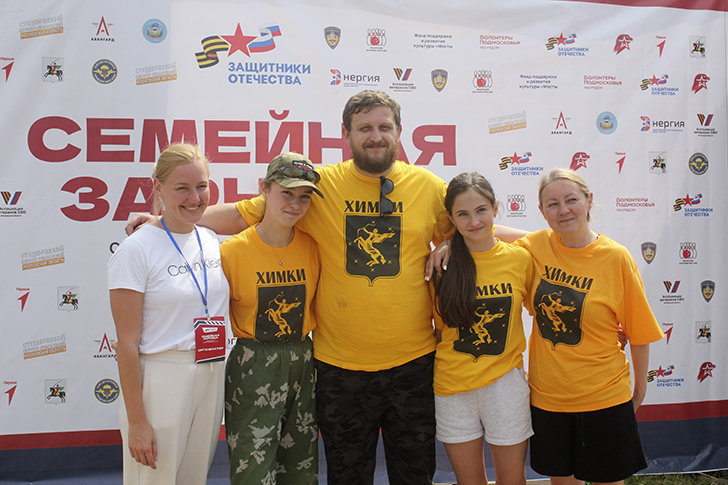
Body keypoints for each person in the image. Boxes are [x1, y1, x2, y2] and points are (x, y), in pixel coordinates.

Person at [127, 90, 448, 484]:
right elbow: (242, 214)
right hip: (339, 368)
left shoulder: (429, 187)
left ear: (399, 131)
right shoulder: (318, 186)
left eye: (384, 126)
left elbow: (471, 227)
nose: (375, 136)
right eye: (365, 128)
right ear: (346, 133)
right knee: (347, 477)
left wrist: (450, 242)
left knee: (415, 476)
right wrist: (164, 222)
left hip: (413, 364)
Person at [430, 168, 663, 485]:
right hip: (548, 398)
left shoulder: (611, 257)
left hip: (602, 395)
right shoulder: (536, 246)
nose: (563, 210)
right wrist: (449, 241)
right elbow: (483, 231)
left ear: (588, 200)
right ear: (541, 211)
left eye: (571, 200)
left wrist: (639, 392)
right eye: (553, 204)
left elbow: (639, 330)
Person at [108, 143, 229, 485]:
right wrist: (137, 422)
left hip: (211, 372)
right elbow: (126, 344)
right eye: (182, 188)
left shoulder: (210, 239)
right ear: (158, 188)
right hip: (163, 378)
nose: (195, 197)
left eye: (202, 186)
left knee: (193, 478)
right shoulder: (136, 249)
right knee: (154, 479)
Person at [219, 152, 322, 485]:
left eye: (304, 197)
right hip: (254, 363)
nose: (295, 204)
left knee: (301, 467)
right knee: (252, 468)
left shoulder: (314, 247)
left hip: (303, 360)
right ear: (264, 188)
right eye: (286, 193)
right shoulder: (232, 251)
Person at [432, 173, 534, 485]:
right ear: (451, 219)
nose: (474, 221)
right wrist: (447, 243)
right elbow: (439, 332)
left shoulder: (521, 258)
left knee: (512, 480)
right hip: (452, 388)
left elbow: (544, 310)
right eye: (463, 214)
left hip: (505, 385)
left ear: (495, 208)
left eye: (481, 210)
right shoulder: (440, 265)